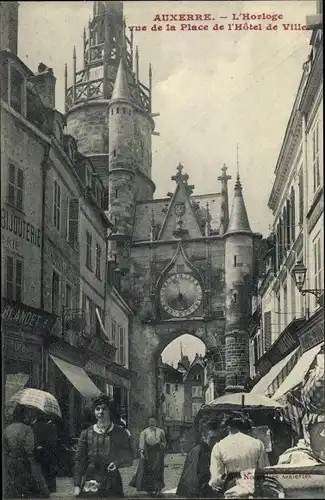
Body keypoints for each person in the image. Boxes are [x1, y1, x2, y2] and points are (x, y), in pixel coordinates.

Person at [73, 394, 133, 498]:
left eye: (104, 409)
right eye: (97, 409)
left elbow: (128, 455)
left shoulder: (120, 432)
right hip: (91, 478)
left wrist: (117, 463)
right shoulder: (86, 433)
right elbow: (80, 459)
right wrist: (77, 484)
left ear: (110, 411)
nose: (100, 412)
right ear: (94, 411)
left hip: (112, 479)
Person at [209, 413, 269, 494]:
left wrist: (215, 484)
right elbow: (264, 471)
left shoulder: (219, 447)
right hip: (253, 489)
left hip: (231, 490)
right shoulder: (257, 444)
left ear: (228, 427)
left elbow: (215, 480)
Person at [3, 404, 50, 499]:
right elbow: (29, 448)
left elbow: (5, 447)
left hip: (10, 461)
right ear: (24, 415)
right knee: (27, 486)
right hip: (24, 461)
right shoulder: (27, 429)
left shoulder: (7, 429)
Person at [176, 418, 222, 498]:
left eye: (218, 439)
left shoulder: (197, 449)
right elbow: (203, 475)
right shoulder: (203, 452)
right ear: (204, 437)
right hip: (197, 491)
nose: (216, 442)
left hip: (191, 490)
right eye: (212, 439)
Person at [130, 415, 166, 497]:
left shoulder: (161, 431)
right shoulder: (144, 432)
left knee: (157, 471)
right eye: (150, 422)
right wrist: (142, 453)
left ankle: (157, 488)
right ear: (148, 422)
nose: (152, 423)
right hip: (148, 454)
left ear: (156, 422)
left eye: (153, 422)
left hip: (158, 454)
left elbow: (164, 442)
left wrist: (162, 445)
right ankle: (150, 489)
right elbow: (141, 443)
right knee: (149, 471)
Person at [33, 413, 58, 492]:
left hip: (38, 450)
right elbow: (54, 441)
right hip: (49, 451)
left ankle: (41, 487)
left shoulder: (35, 426)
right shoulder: (51, 426)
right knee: (50, 469)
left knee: (40, 469)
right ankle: (51, 487)